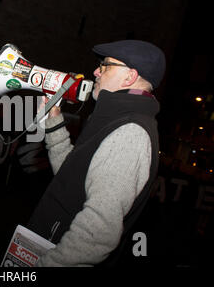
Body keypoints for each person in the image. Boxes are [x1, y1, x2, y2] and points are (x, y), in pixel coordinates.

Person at [27, 40, 166, 267]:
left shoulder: (130, 133)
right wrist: (53, 121)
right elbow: (70, 179)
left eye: (105, 66)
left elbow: (96, 236)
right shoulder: (115, 119)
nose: (95, 71)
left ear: (129, 77)